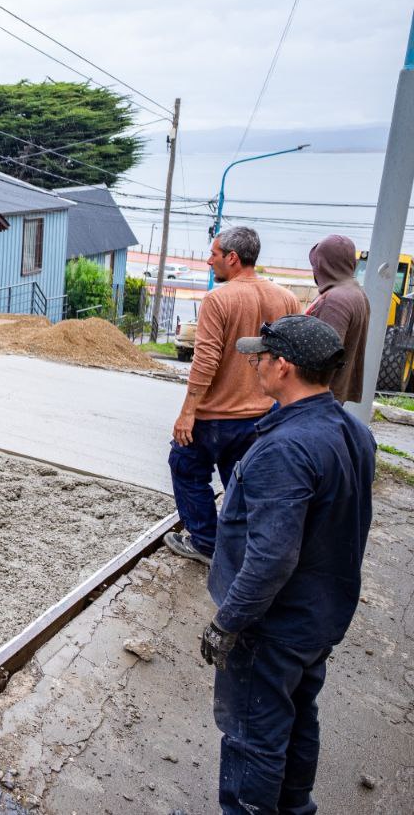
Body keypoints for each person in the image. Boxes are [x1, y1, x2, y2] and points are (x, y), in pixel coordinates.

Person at [201, 314, 375, 814]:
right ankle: (295, 808)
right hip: (319, 616)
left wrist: (227, 622)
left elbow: (271, 557)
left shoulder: (285, 448)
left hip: (273, 624)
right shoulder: (350, 430)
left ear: (284, 366)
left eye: (261, 357)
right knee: (297, 717)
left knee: (251, 731)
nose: (255, 364)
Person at [165, 227, 300, 566]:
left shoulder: (218, 299)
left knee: (185, 467)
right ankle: (244, 551)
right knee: (242, 487)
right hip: (263, 416)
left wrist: (187, 412)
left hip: (215, 416)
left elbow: (206, 359)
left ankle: (206, 544)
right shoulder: (286, 299)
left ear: (233, 258)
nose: (209, 260)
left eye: (214, 253)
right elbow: (293, 357)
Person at [304, 233, 369, 403]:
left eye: (316, 264)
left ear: (323, 265)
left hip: (316, 398)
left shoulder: (335, 300)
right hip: (330, 396)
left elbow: (323, 356)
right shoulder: (356, 292)